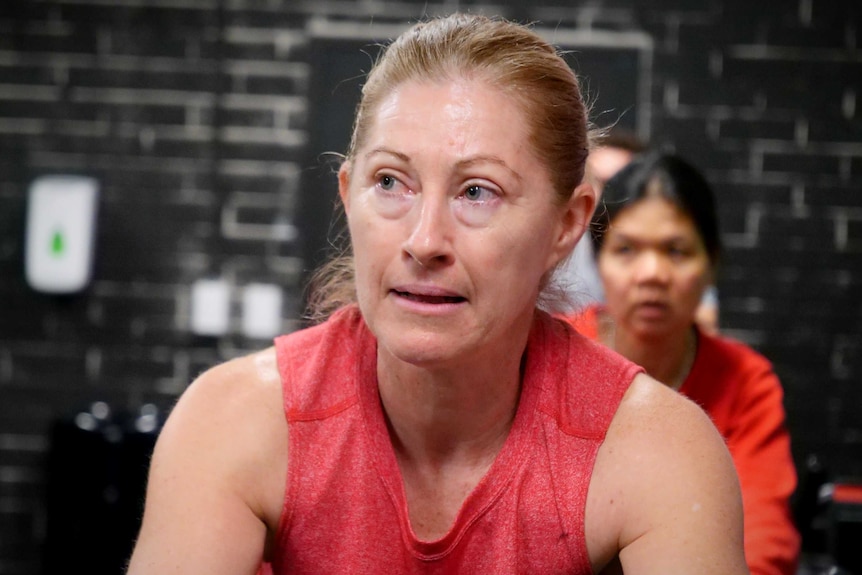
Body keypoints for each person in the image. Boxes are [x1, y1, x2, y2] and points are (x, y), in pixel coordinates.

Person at [126, 14, 748, 574]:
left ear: (566, 225)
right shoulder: (233, 420)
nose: (424, 241)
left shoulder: (658, 451)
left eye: (478, 191)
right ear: (347, 194)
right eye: (391, 182)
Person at [564, 152, 800, 575]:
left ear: (710, 266)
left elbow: (763, 548)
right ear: (599, 263)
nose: (651, 273)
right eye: (626, 249)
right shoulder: (553, 353)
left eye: (676, 250)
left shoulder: (745, 382)